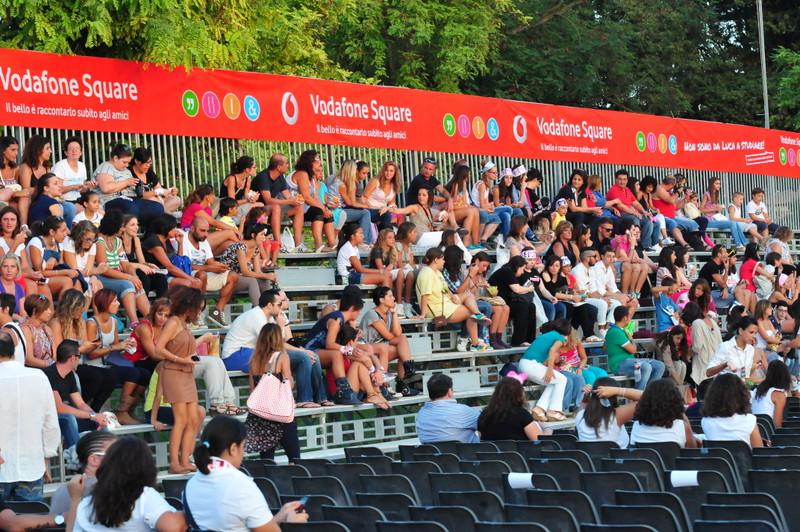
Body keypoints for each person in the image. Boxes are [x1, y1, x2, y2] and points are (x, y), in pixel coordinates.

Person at [184, 417, 307, 531]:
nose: (243, 453)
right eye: (243, 447)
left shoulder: (190, 485)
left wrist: (280, 517)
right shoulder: (241, 485)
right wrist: (291, 523)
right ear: (233, 449)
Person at [72, 436, 187, 531]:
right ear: (147, 466)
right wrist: (189, 513)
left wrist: (75, 499)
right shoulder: (144, 497)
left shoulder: (87, 504)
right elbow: (173, 527)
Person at [0, 330, 59, 502]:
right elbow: (51, 424)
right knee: (30, 517)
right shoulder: (39, 377)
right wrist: (46, 460)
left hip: (8, 467)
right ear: (14, 350)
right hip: (32, 465)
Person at [154, 285, 203, 474]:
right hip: (173, 372)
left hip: (187, 373)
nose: (199, 312)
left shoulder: (184, 324)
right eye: (198, 308)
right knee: (181, 420)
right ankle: (174, 463)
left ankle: (185, 460)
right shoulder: (173, 322)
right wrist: (180, 359)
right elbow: (159, 348)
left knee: (193, 419)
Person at [245, 323, 301, 461]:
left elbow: (253, 389)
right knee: (294, 456)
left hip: (260, 414)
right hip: (279, 411)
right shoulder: (281, 357)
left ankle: (267, 475)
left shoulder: (254, 359)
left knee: (266, 458)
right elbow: (289, 384)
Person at [417, 247, 490, 350]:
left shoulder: (436, 272)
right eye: (442, 259)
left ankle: (478, 314)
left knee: (468, 295)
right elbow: (425, 295)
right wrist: (423, 314)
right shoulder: (427, 273)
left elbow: (445, 288)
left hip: (446, 302)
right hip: (438, 309)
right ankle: (476, 343)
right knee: (471, 312)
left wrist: (453, 297)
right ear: (436, 260)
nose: (444, 261)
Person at [44, 339, 110, 449]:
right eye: (80, 356)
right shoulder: (49, 374)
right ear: (73, 358)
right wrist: (92, 416)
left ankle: (107, 454)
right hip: (47, 421)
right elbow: (59, 408)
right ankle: (75, 456)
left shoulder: (69, 375)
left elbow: (80, 404)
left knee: (98, 421)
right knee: (69, 418)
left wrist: (96, 416)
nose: (80, 360)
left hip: (62, 419)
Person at [360, 286, 422, 396]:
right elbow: (389, 336)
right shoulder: (372, 314)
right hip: (368, 350)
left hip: (381, 348)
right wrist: (394, 333)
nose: (394, 298)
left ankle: (402, 382)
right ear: (381, 300)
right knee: (401, 346)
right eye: (390, 296)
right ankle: (388, 384)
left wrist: (394, 314)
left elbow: (398, 332)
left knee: (402, 347)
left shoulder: (389, 313)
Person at [406, 158, 481, 248]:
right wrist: (450, 199)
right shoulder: (418, 180)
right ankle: (463, 240)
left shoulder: (432, 179)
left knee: (453, 206)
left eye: (430, 169)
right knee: (464, 211)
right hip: (419, 210)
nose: (427, 171)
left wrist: (449, 199)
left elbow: (443, 190)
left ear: (434, 170)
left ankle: (468, 237)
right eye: (426, 168)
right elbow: (430, 197)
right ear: (422, 167)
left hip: (429, 207)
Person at [182, 217, 240, 327]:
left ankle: (217, 312)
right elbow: (184, 266)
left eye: (207, 231)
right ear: (192, 228)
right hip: (188, 275)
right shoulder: (183, 240)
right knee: (202, 274)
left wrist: (219, 267)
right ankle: (195, 313)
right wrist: (210, 268)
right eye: (202, 231)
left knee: (233, 275)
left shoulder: (203, 241)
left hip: (204, 273)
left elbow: (211, 262)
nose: (206, 234)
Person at [95, 209, 151, 323]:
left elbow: (126, 264)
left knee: (137, 284)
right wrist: (129, 278)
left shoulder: (117, 241)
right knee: (128, 284)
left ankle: (151, 320)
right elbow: (104, 270)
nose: (123, 229)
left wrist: (134, 277)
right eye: (121, 227)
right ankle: (134, 322)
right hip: (101, 277)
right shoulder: (99, 241)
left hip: (117, 275)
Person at [91, 143, 164, 225]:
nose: (126, 165)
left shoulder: (126, 171)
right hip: (110, 200)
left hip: (130, 199)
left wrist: (138, 186)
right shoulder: (105, 167)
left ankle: (148, 233)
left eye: (128, 163)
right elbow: (106, 188)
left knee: (156, 207)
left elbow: (132, 188)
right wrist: (126, 182)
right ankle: (128, 230)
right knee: (130, 207)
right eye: (124, 162)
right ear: (115, 158)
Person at [50, 431, 117, 515]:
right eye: (117, 453)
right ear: (94, 459)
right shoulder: (109, 489)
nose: (123, 457)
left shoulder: (62, 489)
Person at [518, 319, 571, 422]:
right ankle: (554, 411)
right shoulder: (559, 338)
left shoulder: (548, 335)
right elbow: (552, 350)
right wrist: (550, 370)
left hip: (524, 364)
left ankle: (539, 409)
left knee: (552, 383)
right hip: (531, 364)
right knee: (562, 380)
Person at [605, 305, 665, 390]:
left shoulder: (617, 330)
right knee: (645, 366)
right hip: (619, 364)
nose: (630, 319)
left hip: (629, 361)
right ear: (625, 318)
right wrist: (632, 340)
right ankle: (638, 395)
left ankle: (650, 393)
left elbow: (604, 347)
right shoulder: (615, 332)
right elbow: (633, 350)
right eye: (629, 317)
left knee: (659, 365)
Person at [216, 222, 277, 303]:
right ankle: (258, 308)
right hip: (227, 278)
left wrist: (269, 277)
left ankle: (270, 307)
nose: (264, 238)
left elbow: (258, 272)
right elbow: (245, 272)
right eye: (262, 235)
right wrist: (266, 275)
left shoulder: (256, 248)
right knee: (252, 281)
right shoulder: (240, 246)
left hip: (240, 277)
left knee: (264, 282)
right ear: (253, 235)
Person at [287, 150, 336, 252]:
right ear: (309, 162)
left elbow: (316, 197)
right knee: (318, 212)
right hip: (292, 207)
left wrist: (325, 209)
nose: (320, 162)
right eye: (317, 159)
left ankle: (333, 244)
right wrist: (322, 209)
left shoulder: (312, 177)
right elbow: (307, 197)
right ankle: (318, 245)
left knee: (327, 213)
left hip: (304, 207)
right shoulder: (302, 174)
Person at [575, 377, 643, 448]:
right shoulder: (617, 416)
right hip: (617, 455)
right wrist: (618, 391)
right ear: (614, 396)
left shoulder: (580, 416)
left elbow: (584, 404)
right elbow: (646, 398)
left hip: (588, 455)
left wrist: (586, 397)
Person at [140, 214, 203, 290]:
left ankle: (194, 298)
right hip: (156, 276)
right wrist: (191, 278)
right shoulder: (154, 242)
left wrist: (180, 243)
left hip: (166, 273)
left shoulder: (166, 240)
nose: (176, 230)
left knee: (196, 282)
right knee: (187, 282)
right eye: (174, 227)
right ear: (166, 227)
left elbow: (178, 260)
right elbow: (169, 267)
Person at [629, 379, 698, 447]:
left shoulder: (637, 426)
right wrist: (683, 416)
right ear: (675, 401)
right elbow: (693, 452)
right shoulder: (681, 427)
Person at [478, 376, 551, 441]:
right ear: (519, 394)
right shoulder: (522, 414)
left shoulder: (484, 415)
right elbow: (539, 441)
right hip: (519, 452)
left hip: (491, 452)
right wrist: (547, 429)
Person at [28, 215, 82, 300]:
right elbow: (39, 272)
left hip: (52, 276)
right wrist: (66, 272)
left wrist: (54, 261)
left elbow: (60, 266)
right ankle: (63, 308)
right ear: (52, 232)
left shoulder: (59, 244)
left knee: (77, 281)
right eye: (62, 231)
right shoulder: (36, 243)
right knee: (67, 281)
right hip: (37, 279)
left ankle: (77, 308)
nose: (65, 234)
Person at [701, 373, 763, 447]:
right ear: (741, 394)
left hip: (718, 455)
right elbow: (758, 449)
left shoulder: (706, 421)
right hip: (742, 454)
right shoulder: (749, 420)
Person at [415, 373, 480, 443]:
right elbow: (486, 420)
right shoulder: (461, 411)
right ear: (449, 392)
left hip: (431, 450)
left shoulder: (421, 414)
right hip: (464, 450)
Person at [488, 255, 536, 346]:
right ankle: (518, 341)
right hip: (499, 301)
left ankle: (530, 339)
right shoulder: (507, 271)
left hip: (507, 300)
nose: (522, 272)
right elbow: (517, 289)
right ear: (518, 267)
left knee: (531, 306)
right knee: (523, 307)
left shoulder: (512, 272)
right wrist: (529, 289)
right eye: (522, 269)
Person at [606, 169, 655, 250]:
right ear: (615, 179)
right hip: (619, 214)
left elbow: (635, 203)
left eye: (624, 179)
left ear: (627, 180)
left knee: (648, 220)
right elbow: (620, 206)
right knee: (635, 219)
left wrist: (644, 212)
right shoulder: (613, 190)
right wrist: (634, 213)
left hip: (629, 213)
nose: (622, 182)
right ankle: (636, 245)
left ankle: (645, 246)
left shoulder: (627, 189)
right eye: (620, 179)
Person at [128, 147, 182, 214]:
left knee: (176, 199)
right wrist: (157, 192)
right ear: (136, 161)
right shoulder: (129, 173)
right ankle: (168, 214)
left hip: (157, 202)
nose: (148, 165)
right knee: (152, 199)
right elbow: (138, 195)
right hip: (141, 203)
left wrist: (169, 191)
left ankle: (162, 212)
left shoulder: (149, 172)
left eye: (149, 162)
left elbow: (160, 189)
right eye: (145, 163)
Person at [701, 177, 748, 251]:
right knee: (732, 223)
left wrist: (718, 208)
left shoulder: (715, 195)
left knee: (735, 223)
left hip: (715, 219)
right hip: (708, 221)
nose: (719, 185)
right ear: (711, 184)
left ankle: (745, 244)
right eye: (716, 183)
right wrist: (715, 209)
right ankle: (739, 245)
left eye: (719, 184)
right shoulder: (707, 194)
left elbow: (712, 209)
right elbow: (701, 210)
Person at [706, 316, 759, 380]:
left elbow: (745, 376)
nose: (754, 336)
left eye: (755, 333)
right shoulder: (725, 347)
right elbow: (709, 372)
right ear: (741, 331)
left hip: (740, 385)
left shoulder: (750, 349)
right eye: (751, 332)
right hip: (725, 385)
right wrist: (726, 364)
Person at [19, 135, 53, 225]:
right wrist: (45, 190)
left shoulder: (47, 168)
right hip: (33, 199)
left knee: (69, 207)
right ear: (38, 149)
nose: (50, 151)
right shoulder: (26, 167)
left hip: (46, 198)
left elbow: (53, 186)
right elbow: (26, 189)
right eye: (47, 148)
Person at [751, 359, 792, 428]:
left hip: (754, 429)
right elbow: (777, 425)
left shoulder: (757, 389)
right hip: (768, 431)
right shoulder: (779, 395)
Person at [698, 245, 737, 309]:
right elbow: (723, 283)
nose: (727, 254)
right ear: (719, 254)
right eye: (725, 252)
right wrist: (726, 269)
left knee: (741, 293)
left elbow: (723, 282)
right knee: (736, 297)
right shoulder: (712, 265)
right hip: (707, 293)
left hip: (717, 291)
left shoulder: (720, 265)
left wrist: (725, 289)